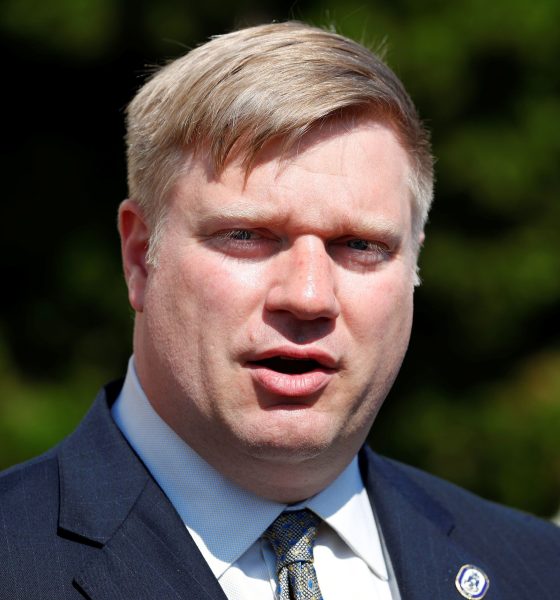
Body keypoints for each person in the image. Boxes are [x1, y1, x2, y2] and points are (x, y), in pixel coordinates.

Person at [0, 21, 558, 600]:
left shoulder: (539, 571)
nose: (309, 296)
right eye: (247, 236)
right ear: (141, 257)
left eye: (359, 245)